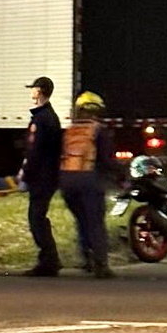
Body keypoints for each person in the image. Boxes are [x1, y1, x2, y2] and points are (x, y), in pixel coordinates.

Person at [58, 91, 120, 279]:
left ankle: (86, 259)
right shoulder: (98, 130)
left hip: (67, 181)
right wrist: (121, 176)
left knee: (81, 220)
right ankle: (101, 265)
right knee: (95, 222)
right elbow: (106, 159)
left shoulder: (69, 130)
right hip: (88, 179)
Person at [18, 76, 63, 276]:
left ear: (40, 91)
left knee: (36, 218)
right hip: (46, 176)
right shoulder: (47, 116)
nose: (31, 91)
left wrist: (26, 175)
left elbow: (36, 150)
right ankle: (50, 259)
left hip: (42, 177)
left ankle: (49, 260)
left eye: (33, 88)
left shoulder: (43, 118)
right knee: (38, 217)